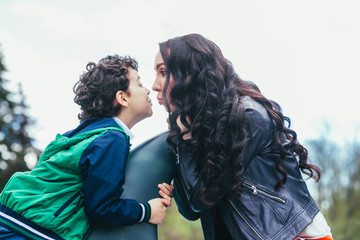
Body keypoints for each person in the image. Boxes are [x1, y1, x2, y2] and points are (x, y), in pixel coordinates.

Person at [153, 34, 333, 240]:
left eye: (164, 72)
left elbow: (202, 197)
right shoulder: (199, 130)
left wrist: (183, 138)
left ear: (191, 74)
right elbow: (193, 212)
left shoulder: (247, 116)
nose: (155, 85)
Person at [0, 55, 170, 240]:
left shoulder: (86, 134)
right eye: (139, 84)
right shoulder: (112, 138)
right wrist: (146, 211)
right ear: (122, 98)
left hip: (11, 220)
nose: (147, 90)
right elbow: (102, 207)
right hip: (29, 230)